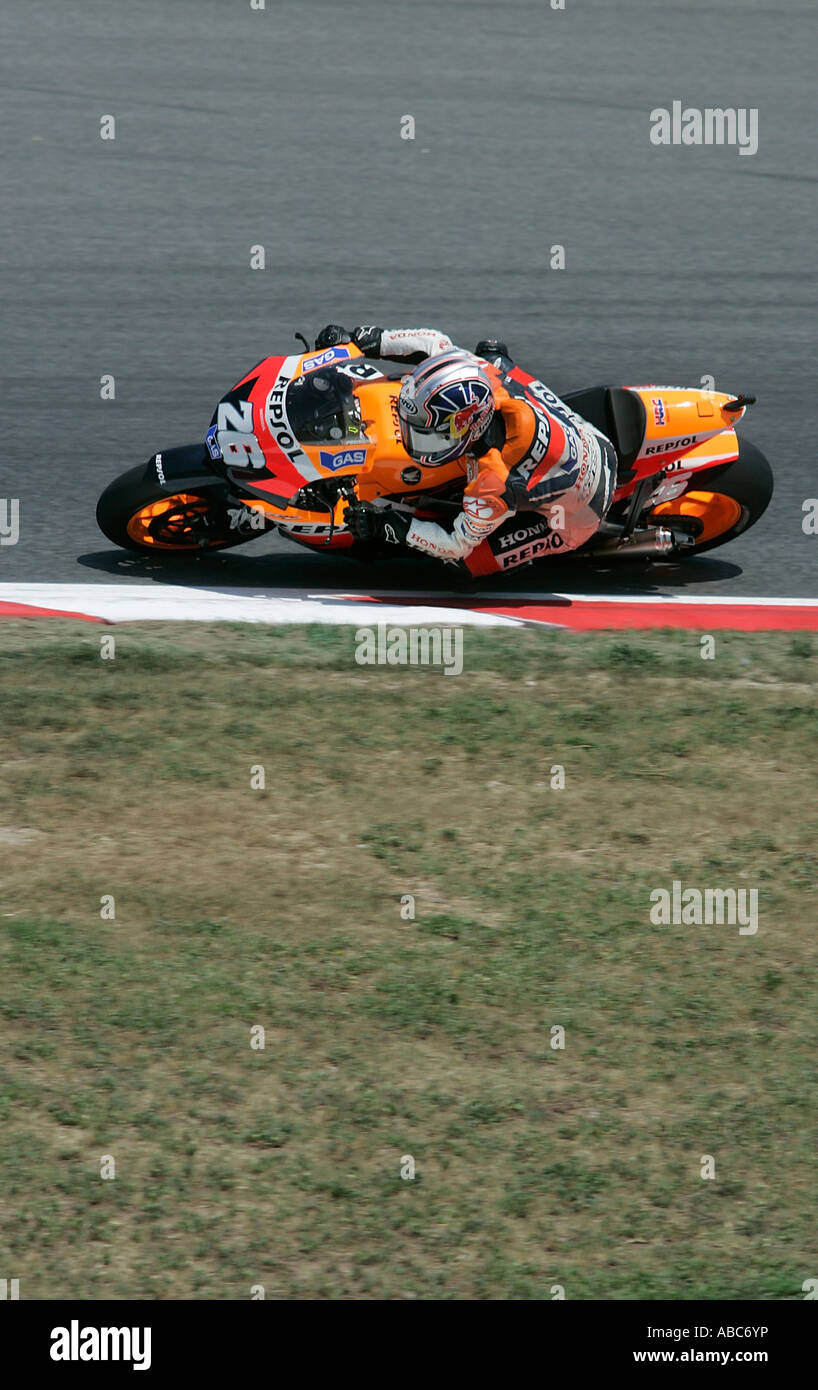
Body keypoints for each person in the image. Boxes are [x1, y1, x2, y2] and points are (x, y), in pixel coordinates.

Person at [313, 324, 618, 569]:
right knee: (491, 354)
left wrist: (389, 525)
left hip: (581, 512)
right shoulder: (482, 378)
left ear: (465, 427)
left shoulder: (492, 482)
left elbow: (455, 544)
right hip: (577, 432)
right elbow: (434, 343)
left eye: (427, 434)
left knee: (467, 564)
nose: (415, 440)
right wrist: (365, 340)